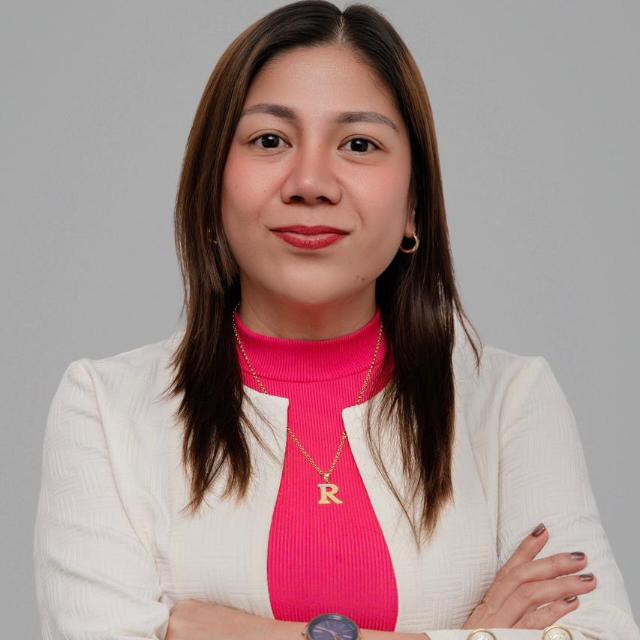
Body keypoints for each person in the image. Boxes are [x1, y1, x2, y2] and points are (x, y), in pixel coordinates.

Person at [33, 2, 639, 639]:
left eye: (359, 144)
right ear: (213, 184)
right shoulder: (105, 410)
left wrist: (212, 629)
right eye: (270, 140)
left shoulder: (511, 403)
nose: (311, 182)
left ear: (414, 205)